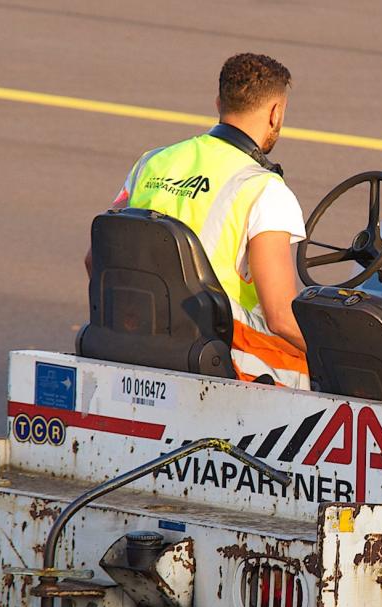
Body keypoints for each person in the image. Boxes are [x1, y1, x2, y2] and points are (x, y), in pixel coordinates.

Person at [85, 53, 310, 389]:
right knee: (318, 368)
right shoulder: (263, 189)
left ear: (219, 101)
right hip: (217, 348)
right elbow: (279, 317)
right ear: (276, 112)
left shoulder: (152, 162)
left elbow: (95, 259)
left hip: (135, 334)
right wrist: (341, 352)